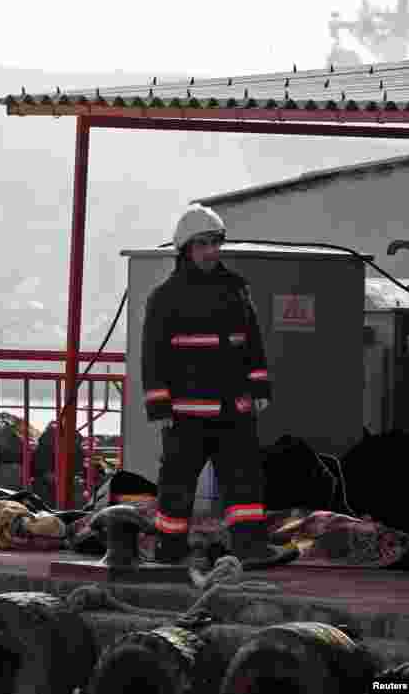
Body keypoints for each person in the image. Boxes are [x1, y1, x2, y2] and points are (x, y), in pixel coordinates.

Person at [141, 204, 298, 569]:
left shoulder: (235, 290)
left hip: (235, 412)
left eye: (215, 243)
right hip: (185, 416)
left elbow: (253, 344)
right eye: (203, 244)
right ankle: (169, 551)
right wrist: (159, 407)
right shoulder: (165, 298)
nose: (211, 251)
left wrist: (259, 389)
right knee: (177, 487)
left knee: (245, 485)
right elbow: (153, 357)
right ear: (185, 249)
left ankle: (250, 549)